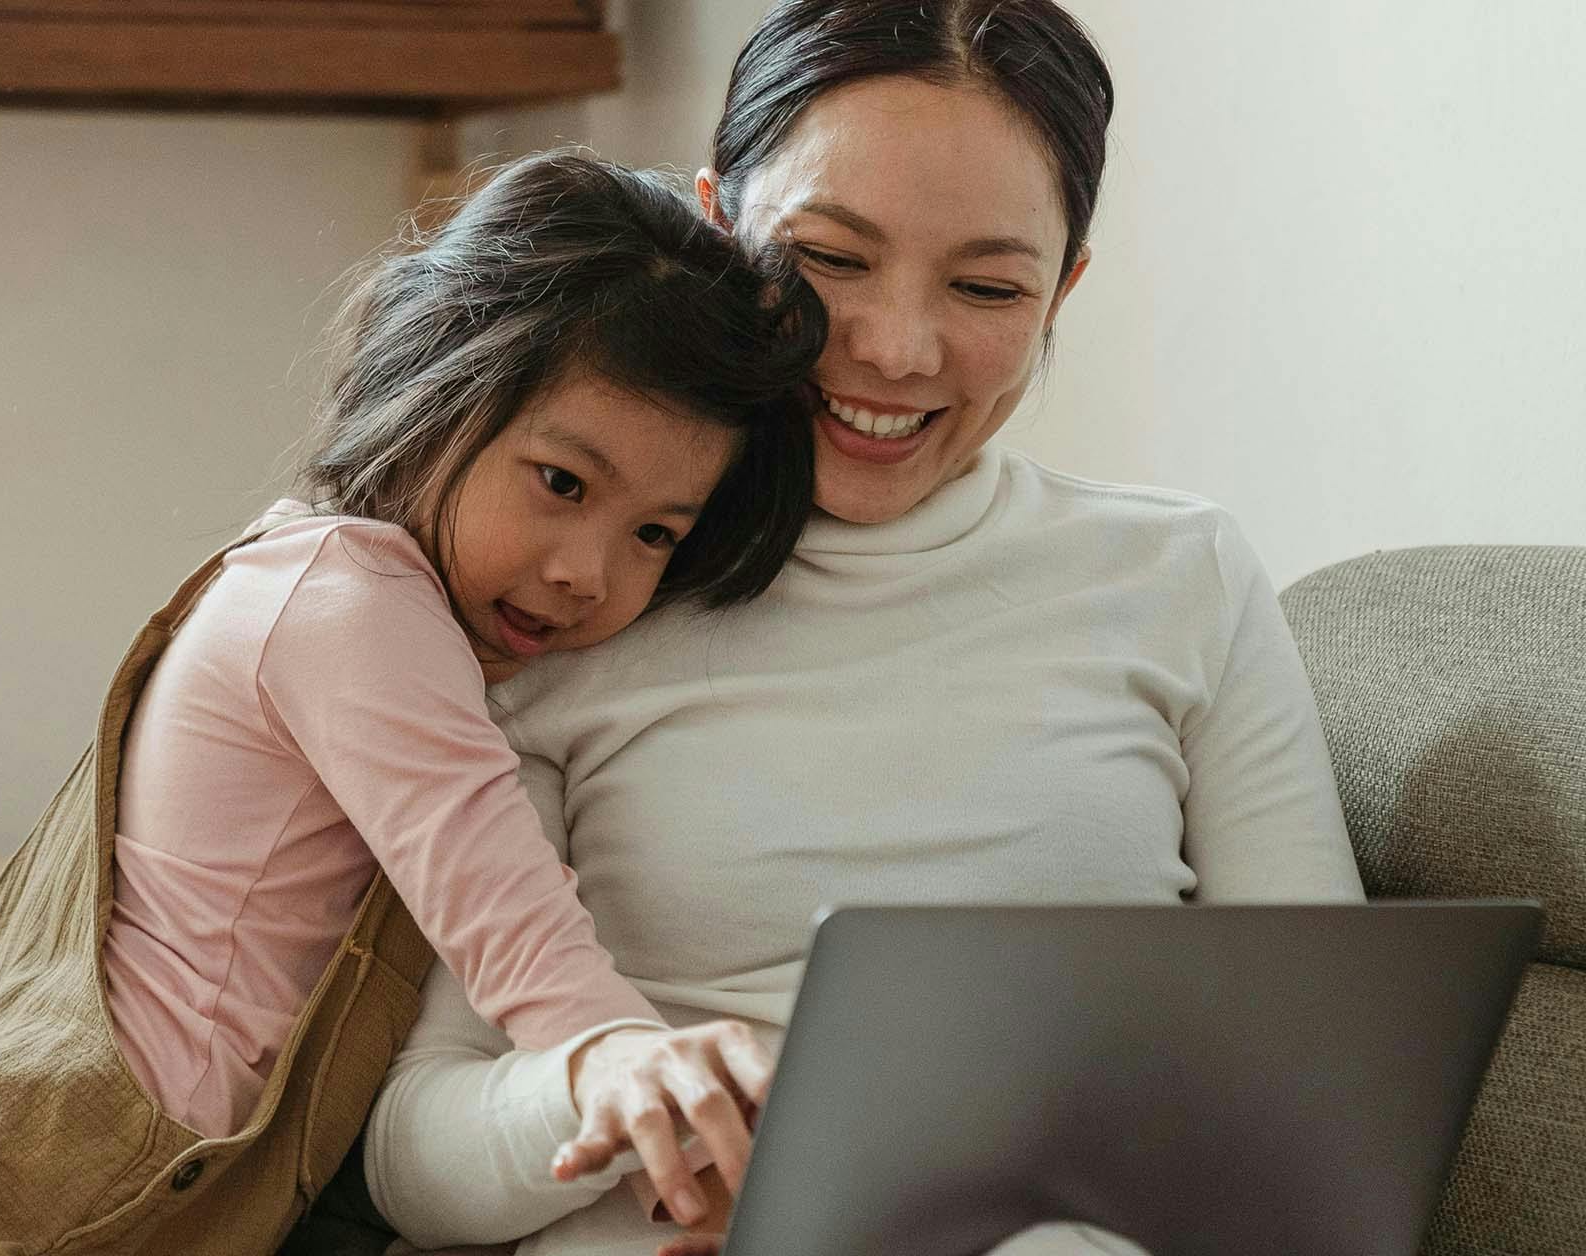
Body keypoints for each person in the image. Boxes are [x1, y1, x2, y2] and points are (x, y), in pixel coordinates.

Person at [358, 4, 1367, 1256]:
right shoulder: (576, 590)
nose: (894, 349)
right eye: (830, 260)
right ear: (717, 228)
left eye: (988, 284)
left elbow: (1332, 1099)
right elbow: (412, 1151)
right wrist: (598, 1090)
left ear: (1064, 286)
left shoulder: (1181, 575)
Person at [0, 153, 827, 1256]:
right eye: (562, 483)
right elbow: (507, 917)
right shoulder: (354, 604)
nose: (587, 568)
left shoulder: (312, 577)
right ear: (437, 393)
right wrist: (630, 1057)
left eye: (653, 534)